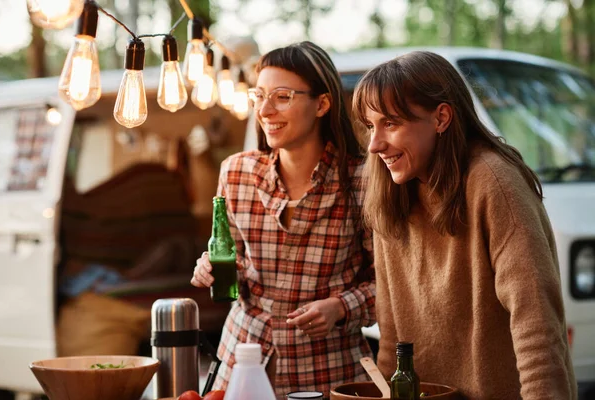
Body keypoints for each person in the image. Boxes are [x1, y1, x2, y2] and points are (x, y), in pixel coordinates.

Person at [352, 51, 577, 400]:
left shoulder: (494, 182)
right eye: (370, 126)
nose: (375, 144)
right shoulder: (389, 193)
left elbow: (537, 323)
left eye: (390, 124)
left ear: (441, 117)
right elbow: (392, 338)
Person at [191, 41, 375, 398]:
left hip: (329, 372)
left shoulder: (363, 180)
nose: (265, 110)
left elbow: (394, 285)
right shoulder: (237, 172)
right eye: (259, 96)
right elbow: (235, 259)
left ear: (322, 103)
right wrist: (212, 266)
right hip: (241, 362)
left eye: (282, 97)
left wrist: (341, 307)